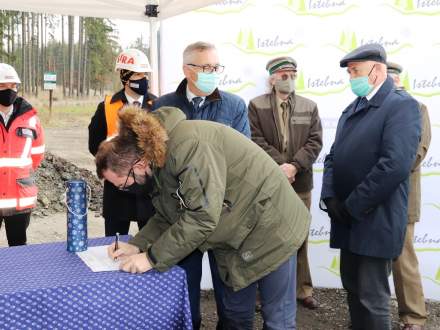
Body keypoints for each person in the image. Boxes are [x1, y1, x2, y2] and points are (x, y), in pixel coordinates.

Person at [97, 105, 310, 329]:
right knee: (234, 316)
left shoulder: (189, 147)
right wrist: (138, 245)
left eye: (122, 184)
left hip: (272, 228)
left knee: (278, 321)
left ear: (138, 165)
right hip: (233, 231)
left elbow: (201, 216)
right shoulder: (158, 159)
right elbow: (169, 214)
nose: (124, 190)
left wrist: (151, 258)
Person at [320, 44, 421, 329]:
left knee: (372, 297)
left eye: (356, 71)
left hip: (374, 220)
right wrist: (330, 198)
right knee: (353, 289)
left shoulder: (401, 106)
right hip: (348, 220)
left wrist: (352, 206)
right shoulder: (353, 108)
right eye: (350, 72)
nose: (351, 78)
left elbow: (395, 165)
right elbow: (332, 157)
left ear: (377, 71)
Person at [151, 41, 250, 329]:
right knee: (184, 296)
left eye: (216, 67)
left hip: (224, 218)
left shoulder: (233, 105)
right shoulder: (163, 106)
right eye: (206, 67)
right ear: (187, 69)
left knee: (231, 304)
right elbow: (157, 163)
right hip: (181, 219)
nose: (213, 73)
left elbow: (242, 159)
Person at [248, 56, 322, 309]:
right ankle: (262, 292)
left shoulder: (309, 106)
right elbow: (254, 139)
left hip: (300, 182)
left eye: (293, 73)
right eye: (283, 74)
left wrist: (294, 166)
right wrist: (281, 166)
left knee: (299, 236)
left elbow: (315, 142)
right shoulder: (256, 106)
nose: (289, 78)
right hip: (269, 182)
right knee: (266, 236)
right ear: (272, 78)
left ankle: (303, 289)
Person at [88, 48, 156, 237]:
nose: (144, 79)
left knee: (150, 245)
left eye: (145, 75)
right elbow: (95, 145)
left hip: (148, 190)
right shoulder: (107, 107)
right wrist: (119, 166)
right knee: (114, 246)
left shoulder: (157, 105)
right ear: (125, 77)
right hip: (117, 190)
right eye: (138, 75)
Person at [387, 61, 431, 330]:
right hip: (375, 199)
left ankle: (413, 317)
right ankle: (374, 313)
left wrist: (386, 173)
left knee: (404, 259)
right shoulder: (373, 109)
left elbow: (418, 151)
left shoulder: (417, 108)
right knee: (373, 261)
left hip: (403, 197)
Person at [0, 63, 45, 246]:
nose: (9, 91)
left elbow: (37, 155)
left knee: (18, 251)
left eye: (13, 87)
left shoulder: (31, 119)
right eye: (2, 86)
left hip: (20, 198)